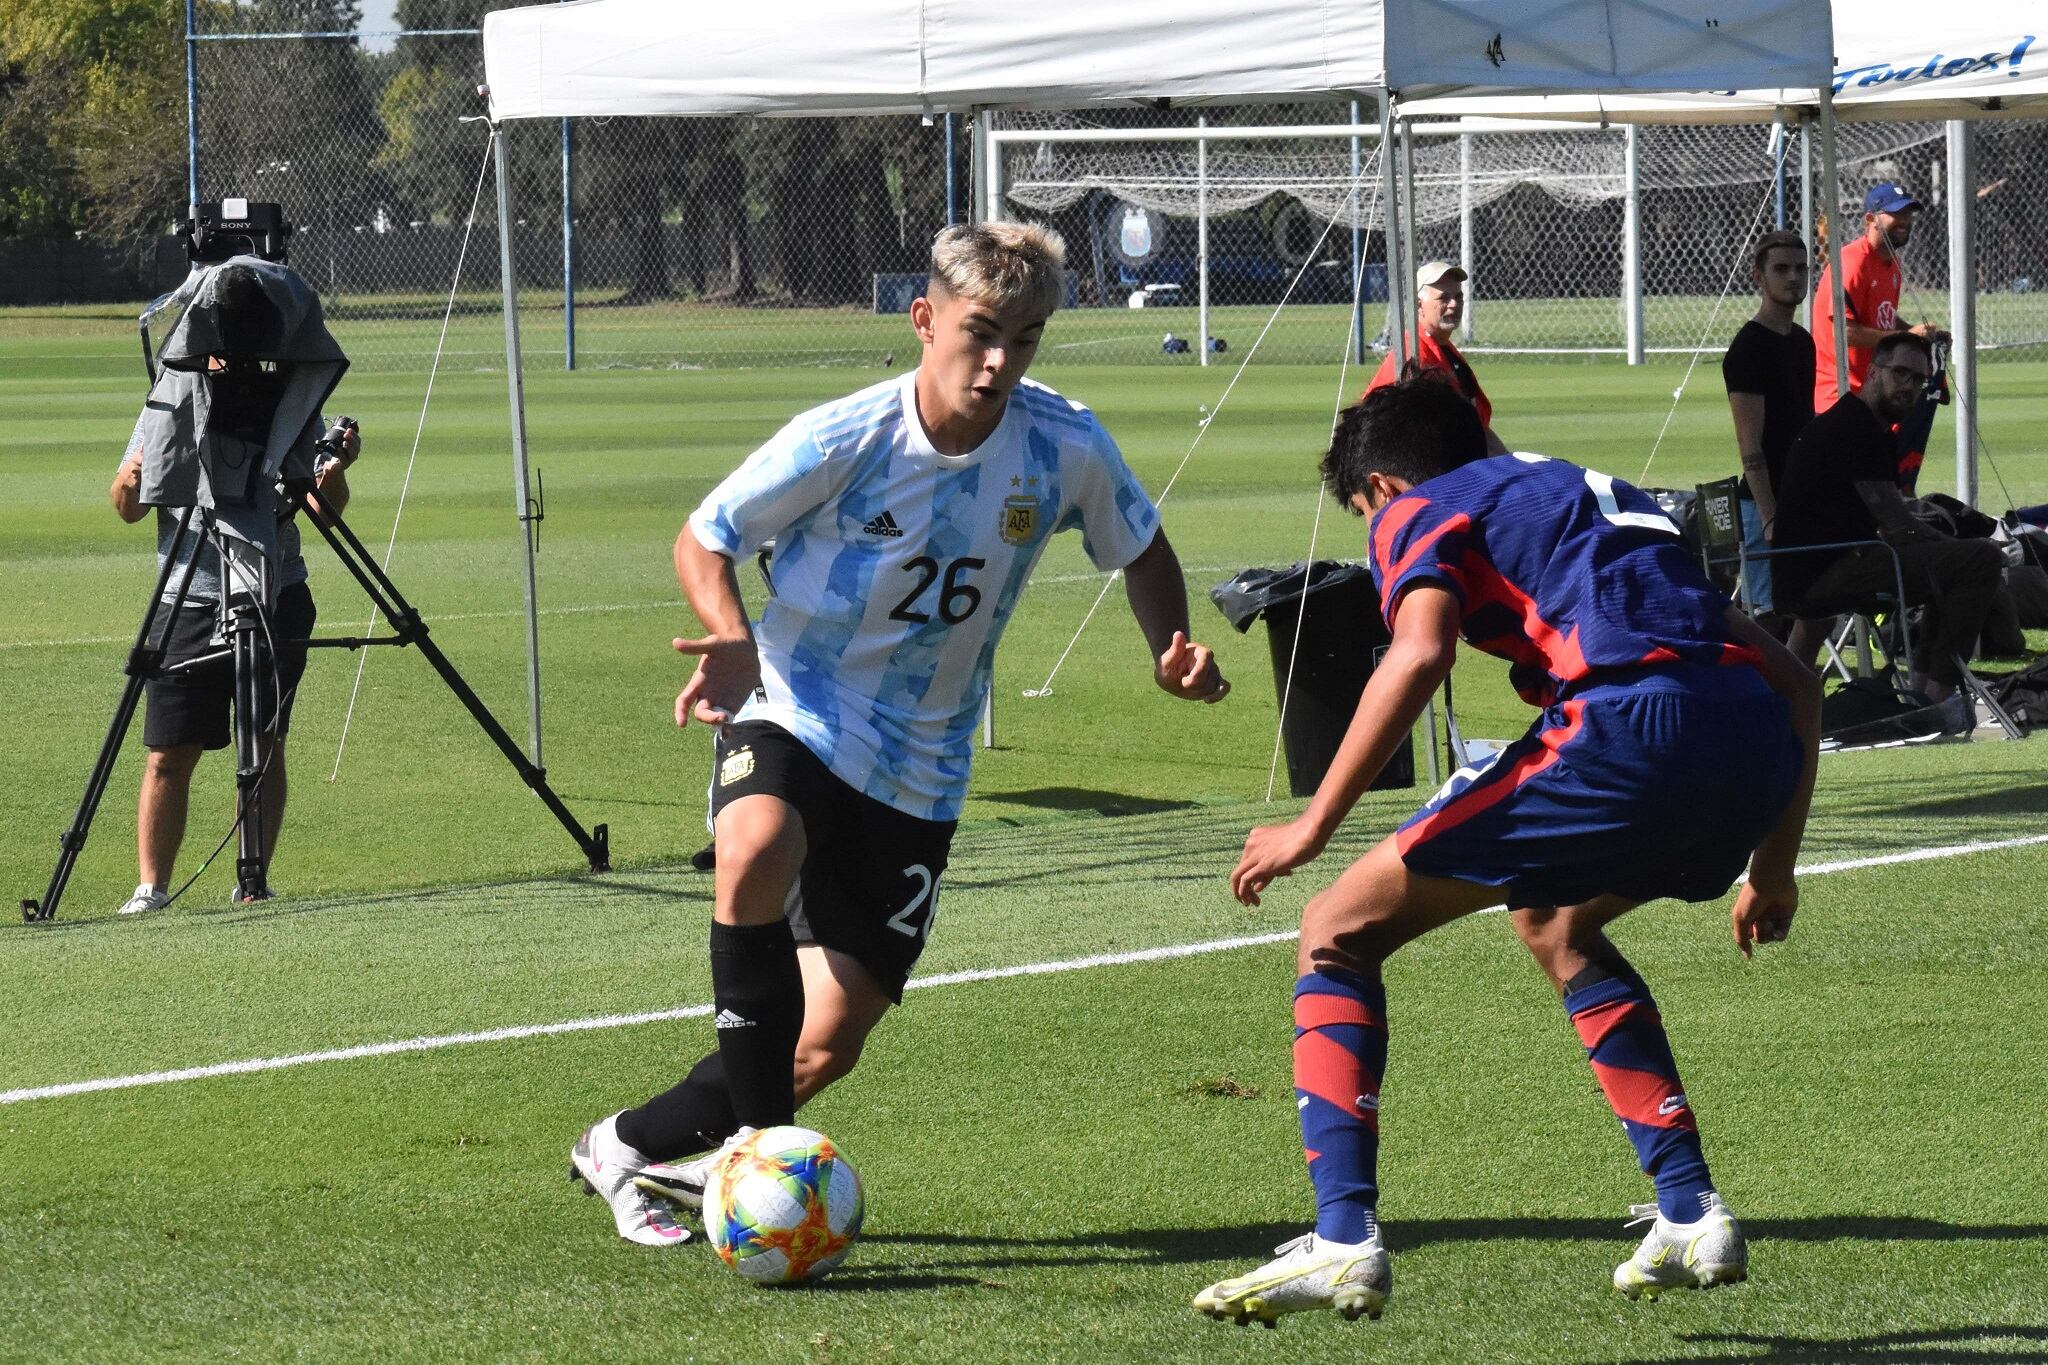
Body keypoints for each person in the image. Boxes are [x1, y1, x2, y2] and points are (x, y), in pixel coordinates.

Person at [568, 222, 1232, 1246]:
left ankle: (621, 1145)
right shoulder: (845, 436)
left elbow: (1140, 547)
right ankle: (761, 1171)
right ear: (923, 321)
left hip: (922, 763)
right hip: (794, 703)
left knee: (825, 1039)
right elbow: (707, 533)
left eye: (1026, 336)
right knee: (752, 847)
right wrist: (731, 640)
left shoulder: (1061, 444)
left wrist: (1168, 648)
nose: (1001, 360)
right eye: (980, 332)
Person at [1194, 377, 1819, 1326]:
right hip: (1750, 744)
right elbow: (1797, 682)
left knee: (1336, 926)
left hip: (1627, 729)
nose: (1375, 527)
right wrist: (1773, 867)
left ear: (1383, 484)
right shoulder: (1597, 493)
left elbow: (1419, 651)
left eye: (1366, 507)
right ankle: (1691, 1211)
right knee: (1557, 923)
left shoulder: (1417, 506)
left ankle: (1343, 1236)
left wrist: (1309, 824)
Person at [110, 265, 358, 916]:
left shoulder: (292, 394)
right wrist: (134, 479)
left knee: (265, 741)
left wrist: (333, 471)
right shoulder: (175, 391)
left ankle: (254, 882)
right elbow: (126, 505)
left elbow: (328, 508)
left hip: (275, 590)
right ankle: (150, 887)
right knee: (169, 751)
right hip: (187, 594)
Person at [1772, 331, 2002, 709]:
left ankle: (1923, 689)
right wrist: (1960, 548)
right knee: (1980, 560)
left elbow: (1892, 524)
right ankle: (1936, 698)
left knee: (1949, 565)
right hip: (1823, 571)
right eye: (1900, 374)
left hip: (1821, 567)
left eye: (1918, 380)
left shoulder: (1868, 427)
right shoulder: (1855, 428)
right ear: (1873, 372)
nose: (1908, 387)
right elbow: (1896, 526)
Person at [1811, 182, 1947, 412]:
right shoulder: (1853, 263)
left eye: (1907, 214)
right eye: (1895, 213)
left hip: (1872, 393)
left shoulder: (1892, 263)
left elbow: (1882, 318)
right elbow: (1845, 333)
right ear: (1870, 219)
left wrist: (1919, 334)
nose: (1904, 220)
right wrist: (1906, 335)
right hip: (1839, 395)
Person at [1364, 261, 1509, 456]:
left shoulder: (1443, 348)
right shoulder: (1414, 356)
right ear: (1419, 305)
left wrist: (1510, 466)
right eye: (1444, 298)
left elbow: (1477, 427)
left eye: (1458, 296)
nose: (1454, 304)